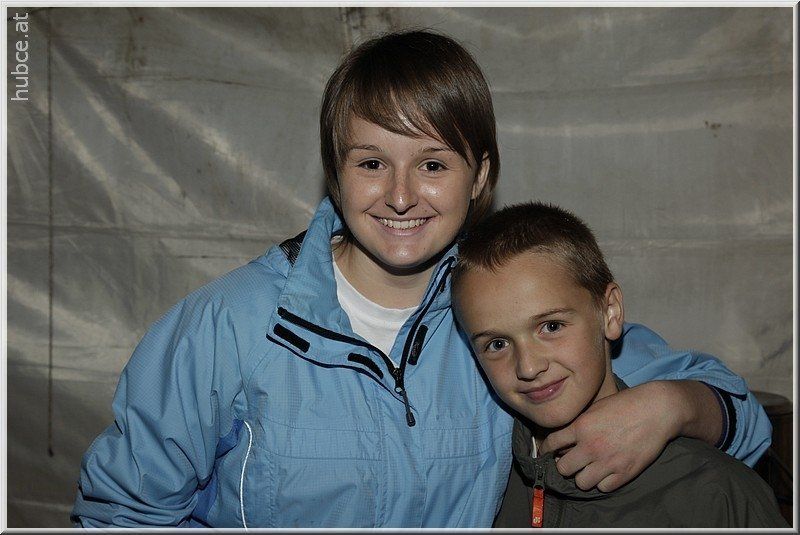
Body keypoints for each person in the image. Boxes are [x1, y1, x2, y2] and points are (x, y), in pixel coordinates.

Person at [71, 30, 772, 528]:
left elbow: (743, 423)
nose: (401, 195)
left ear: (481, 176)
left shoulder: (502, 314)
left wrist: (673, 405)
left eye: (433, 164)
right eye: (371, 163)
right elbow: (120, 512)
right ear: (335, 172)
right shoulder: (231, 325)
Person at [451, 201, 788, 528]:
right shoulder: (477, 487)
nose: (527, 367)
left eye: (551, 326)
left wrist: (676, 403)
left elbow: (749, 421)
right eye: (497, 344)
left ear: (610, 313)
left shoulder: (716, 496)